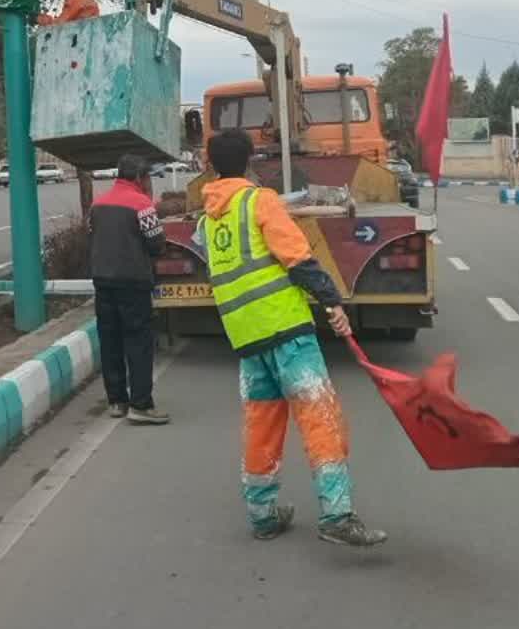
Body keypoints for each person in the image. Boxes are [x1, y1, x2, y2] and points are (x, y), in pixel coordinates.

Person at [199, 129, 387, 547]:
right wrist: (332, 301)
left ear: (211, 165)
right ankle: (337, 514)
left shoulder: (208, 217)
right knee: (320, 416)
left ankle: (262, 515)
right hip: (285, 330)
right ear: (249, 162)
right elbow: (297, 256)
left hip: (245, 338)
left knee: (261, 426)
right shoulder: (258, 201)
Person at [88, 153, 168, 424]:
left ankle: (116, 401)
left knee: (110, 341)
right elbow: (156, 243)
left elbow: (92, 234)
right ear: (138, 178)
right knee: (138, 342)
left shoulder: (97, 203)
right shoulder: (142, 205)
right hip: (133, 282)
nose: (148, 183)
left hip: (102, 281)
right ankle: (141, 404)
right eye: (147, 177)